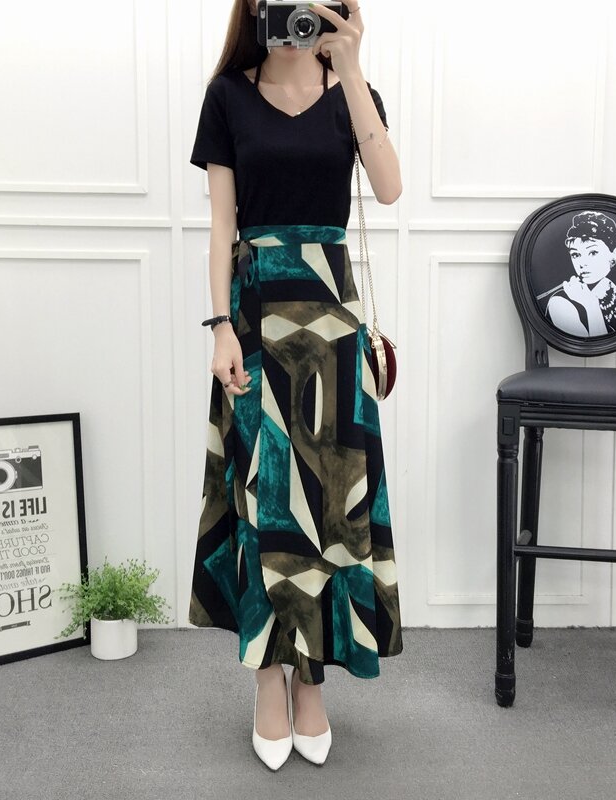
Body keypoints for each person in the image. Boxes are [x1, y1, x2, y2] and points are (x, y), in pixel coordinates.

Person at [187, 0, 403, 771]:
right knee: (268, 501)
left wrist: (352, 70)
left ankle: (312, 680)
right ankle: (269, 678)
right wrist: (220, 326)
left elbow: (388, 188)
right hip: (256, 316)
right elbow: (222, 225)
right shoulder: (228, 96)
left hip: (334, 323)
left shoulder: (354, 91)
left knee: (331, 505)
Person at [540, 210, 616, 337]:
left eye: (593, 253)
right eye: (576, 254)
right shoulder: (559, 302)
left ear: (614, 253)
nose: (582, 263)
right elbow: (598, 345)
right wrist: (591, 305)